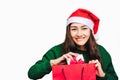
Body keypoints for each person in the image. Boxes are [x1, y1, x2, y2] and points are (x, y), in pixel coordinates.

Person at [28, 8, 118, 80]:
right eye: (74, 29)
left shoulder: (101, 51)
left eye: (84, 28)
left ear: (91, 31)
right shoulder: (57, 51)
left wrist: (102, 75)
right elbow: (32, 74)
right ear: (69, 32)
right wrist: (53, 62)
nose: (79, 34)